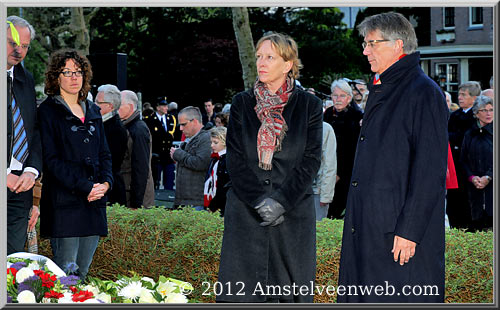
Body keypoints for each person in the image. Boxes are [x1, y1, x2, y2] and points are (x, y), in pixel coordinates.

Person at [337, 12, 448, 303]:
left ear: (398, 44)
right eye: (365, 43)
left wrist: (409, 231)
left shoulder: (424, 93)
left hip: (397, 234)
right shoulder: (384, 88)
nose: (365, 51)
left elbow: (429, 170)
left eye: (372, 43)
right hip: (371, 228)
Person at [217, 32, 322, 303]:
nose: (261, 63)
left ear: (288, 64)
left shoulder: (310, 105)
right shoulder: (242, 102)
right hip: (246, 213)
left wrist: (281, 202)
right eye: (259, 57)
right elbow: (236, 160)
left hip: (292, 216)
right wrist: (260, 201)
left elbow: (310, 160)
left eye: (270, 57)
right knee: (242, 296)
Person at [38, 49, 113, 282]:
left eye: (78, 72)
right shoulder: (47, 111)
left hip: (94, 204)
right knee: (65, 276)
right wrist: (85, 187)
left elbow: (105, 154)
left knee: (82, 273)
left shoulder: (93, 111)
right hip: (65, 204)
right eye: (67, 72)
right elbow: (50, 161)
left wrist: (106, 184)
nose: (74, 77)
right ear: (56, 77)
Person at [6, 16, 43, 255]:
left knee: (13, 260)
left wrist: (32, 171)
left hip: (21, 189)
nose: (19, 51)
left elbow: (34, 130)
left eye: (25, 46)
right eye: (12, 43)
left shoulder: (26, 79)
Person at [323, 79, 363, 219]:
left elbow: (352, 149)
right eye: (335, 95)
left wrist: (339, 173)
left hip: (347, 170)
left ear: (349, 97)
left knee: (338, 207)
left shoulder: (357, 117)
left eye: (342, 96)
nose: (338, 99)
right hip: (327, 166)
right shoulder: (327, 114)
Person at [447, 81, 481, 230]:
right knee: (454, 202)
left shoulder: (477, 117)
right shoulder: (454, 115)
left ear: (474, 98)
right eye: (459, 94)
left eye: (463, 95)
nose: (459, 98)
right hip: (454, 164)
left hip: (471, 166)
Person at [460, 95, 493, 232]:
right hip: (473, 188)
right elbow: (463, 160)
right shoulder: (469, 133)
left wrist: (488, 177)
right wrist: (472, 177)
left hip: (492, 187)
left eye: (491, 109)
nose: (488, 113)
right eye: (484, 110)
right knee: (476, 226)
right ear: (476, 113)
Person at [169, 106, 212, 210]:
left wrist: (178, 154)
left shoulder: (206, 138)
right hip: (186, 200)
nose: (181, 128)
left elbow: (201, 163)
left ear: (195, 121)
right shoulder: (193, 138)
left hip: (195, 201)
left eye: (184, 124)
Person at [118, 90, 155, 209]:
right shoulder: (128, 126)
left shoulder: (138, 129)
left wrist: (136, 202)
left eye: (119, 105)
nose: (115, 108)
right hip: (129, 192)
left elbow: (141, 167)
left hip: (137, 197)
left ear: (129, 106)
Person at [95, 84, 128, 206]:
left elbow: (110, 162)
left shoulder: (116, 129)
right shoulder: (99, 123)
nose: (94, 105)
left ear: (110, 106)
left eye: (98, 102)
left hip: (109, 191)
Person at [143, 98, 176, 190]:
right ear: (158, 107)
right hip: (156, 155)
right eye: (164, 106)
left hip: (168, 155)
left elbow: (170, 135)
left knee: (169, 181)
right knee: (154, 181)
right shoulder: (149, 120)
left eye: (167, 106)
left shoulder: (170, 119)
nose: (166, 108)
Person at [312, 122, 337, 221]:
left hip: (316, 192)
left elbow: (329, 164)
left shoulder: (325, 129)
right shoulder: (291, 125)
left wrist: (326, 196)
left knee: (316, 230)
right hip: (292, 192)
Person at [203, 126, 229, 216]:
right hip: (214, 202)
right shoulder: (215, 158)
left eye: (215, 142)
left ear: (225, 142)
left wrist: (213, 206)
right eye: (211, 142)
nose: (212, 145)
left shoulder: (226, 160)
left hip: (222, 206)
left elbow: (223, 187)